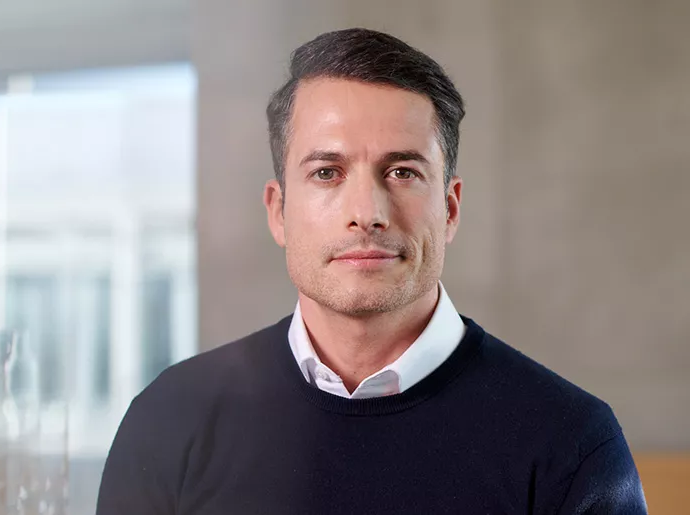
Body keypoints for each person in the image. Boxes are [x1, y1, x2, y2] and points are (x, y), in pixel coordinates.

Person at [97, 28, 647, 514]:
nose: (368, 212)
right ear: (278, 210)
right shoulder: (169, 421)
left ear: (450, 209)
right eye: (327, 172)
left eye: (403, 171)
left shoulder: (572, 447)